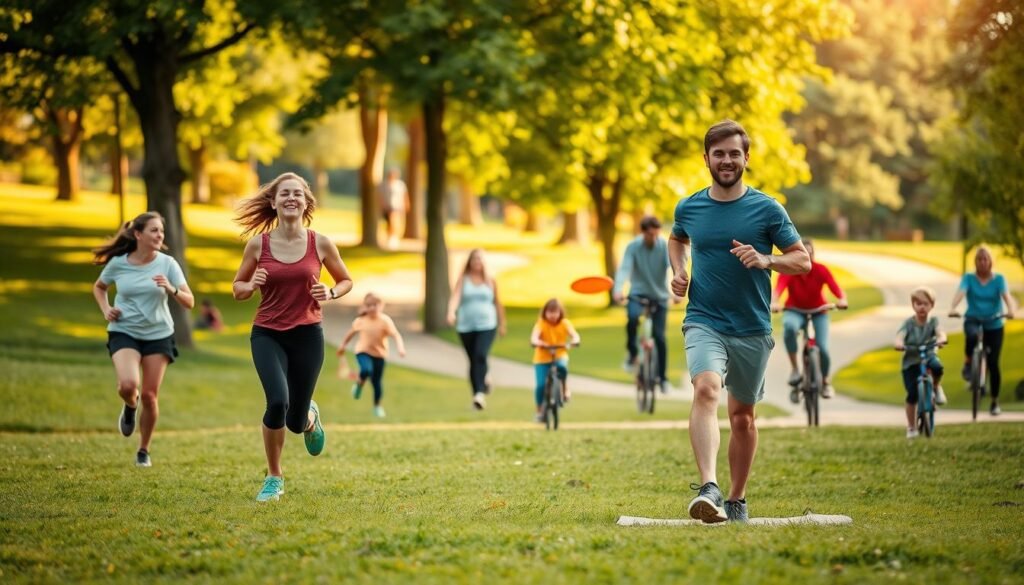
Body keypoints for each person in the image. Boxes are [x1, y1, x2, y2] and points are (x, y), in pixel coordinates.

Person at [669, 120, 811, 524]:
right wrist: (678, 270)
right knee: (706, 390)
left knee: (742, 417)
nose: (727, 160)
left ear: (746, 158)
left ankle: (736, 498)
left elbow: (802, 260)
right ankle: (709, 487)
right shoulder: (689, 207)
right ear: (706, 159)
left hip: (751, 326)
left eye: (734, 153)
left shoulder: (767, 209)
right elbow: (677, 238)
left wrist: (767, 259)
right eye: (719, 154)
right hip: (703, 319)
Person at [232, 172, 353, 502]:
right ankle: (274, 476)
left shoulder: (321, 243)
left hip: (308, 335)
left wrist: (330, 291)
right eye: (284, 193)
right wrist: (251, 284)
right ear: (273, 202)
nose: (291, 198)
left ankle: (310, 416)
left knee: (295, 422)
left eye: (297, 194)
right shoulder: (259, 244)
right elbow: (237, 290)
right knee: (277, 402)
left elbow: (345, 281)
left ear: (306, 202)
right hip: (267, 334)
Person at [92, 211, 195, 468]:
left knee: (149, 395)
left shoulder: (168, 264)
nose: (160, 235)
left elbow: (189, 301)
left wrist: (170, 289)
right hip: (124, 330)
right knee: (128, 385)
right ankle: (129, 405)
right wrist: (106, 309)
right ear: (138, 234)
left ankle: (143, 450)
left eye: (161, 231)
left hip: (158, 335)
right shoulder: (118, 263)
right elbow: (99, 287)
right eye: (154, 230)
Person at [769, 238, 848, 402]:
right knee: (789, 327)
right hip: (794, 310)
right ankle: (795, 370)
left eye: (811, 253)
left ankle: (825, 381)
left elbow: (835, 287)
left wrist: (841, 299)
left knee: (823, 348)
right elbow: (778, 289)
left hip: (819, 311)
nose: (808, 256)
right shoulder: (790, 270)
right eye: (805, 253)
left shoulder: (821, 270)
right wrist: (774, 302)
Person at [948, 246, 1017, 415]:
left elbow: (1007, 296)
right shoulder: (969, 278)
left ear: (991, 261)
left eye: (986, 259)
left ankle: (994, 402)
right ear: (975, 262)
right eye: (979, 259)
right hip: (973, 319)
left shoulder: (999, 279)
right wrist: (953, 307)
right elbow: (961, 292)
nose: (983, 262)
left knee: (993, 363)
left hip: (994, 323)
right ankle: (968, 364)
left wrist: (1011, 310)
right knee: (971, 336)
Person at [613, 215, 676, 392]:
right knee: (632, 318)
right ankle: (632, 354)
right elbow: (625, 268)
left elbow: (672, 266)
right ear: (642, 233)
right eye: (650, 235)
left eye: (656, 234)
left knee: (659, 337)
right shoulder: (633, 246)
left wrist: (676, 292)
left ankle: (663, 379)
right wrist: (618, 290)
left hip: (660, 296)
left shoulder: (664, 246)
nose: (654, 238)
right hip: (637, 294)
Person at [447, 248, 507, 410]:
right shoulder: (463, 280)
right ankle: (480, 386)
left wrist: (502, 323)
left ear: (484, 262)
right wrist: (451, 312)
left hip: (487, 324)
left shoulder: (490, 281)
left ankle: (479, 394)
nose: (477, 263)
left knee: (480, 354)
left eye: (480, 259)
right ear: (470, 262)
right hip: (466, 325)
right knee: (473, 360)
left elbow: (498, 303)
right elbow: (455, 297)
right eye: (474, 259)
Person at [336, 293, 406, 418]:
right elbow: (350, 334)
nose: (372, 308)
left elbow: (396, 335)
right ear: (365, 306)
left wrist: (400, 348)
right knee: (366, 370)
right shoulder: (360, 321)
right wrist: (343, 346)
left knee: (377, 383)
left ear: (381, 306)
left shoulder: (385, 321)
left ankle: (377, 406)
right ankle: (359, 384)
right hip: (363, 352)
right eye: (369, 305)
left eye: (375, 305)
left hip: (380, 355)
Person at [895, 286, 948, 438]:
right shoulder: (909, 323)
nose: (922, 307)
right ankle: (911, 427)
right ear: (913, 305)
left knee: (937, 367)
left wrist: (941, 339)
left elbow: (940, 332)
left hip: (929, 355)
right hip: (911, 362)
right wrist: (899, 343)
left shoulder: (933, 321)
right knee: (911, 395)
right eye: (918, 303)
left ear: (932, 305)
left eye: (925, 303)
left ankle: (936, 387)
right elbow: (900, 335)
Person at [530, 298, 581, 422]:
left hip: (559, 354)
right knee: (541, 385)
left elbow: (574, 335)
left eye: (555, 312)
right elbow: (534, 337)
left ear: (560, 312)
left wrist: (574, 341)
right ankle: (539, 411)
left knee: (562, 368)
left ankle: (564, 389)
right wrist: (538, 342)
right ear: (545, 312)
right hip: (542, 358)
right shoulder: (541, 323)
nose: (552, 315)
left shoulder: (565, 323)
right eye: (549, 312)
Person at [378, 168, 409, 249]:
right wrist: (382, 205)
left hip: (398, 206)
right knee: (390, 222)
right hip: (388, 206)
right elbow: (381, 196)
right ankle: (390, 237)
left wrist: (406, 204)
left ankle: (393, 237)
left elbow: (404, 195)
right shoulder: (384, 185)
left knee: (395, 222)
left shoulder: (400, 185)